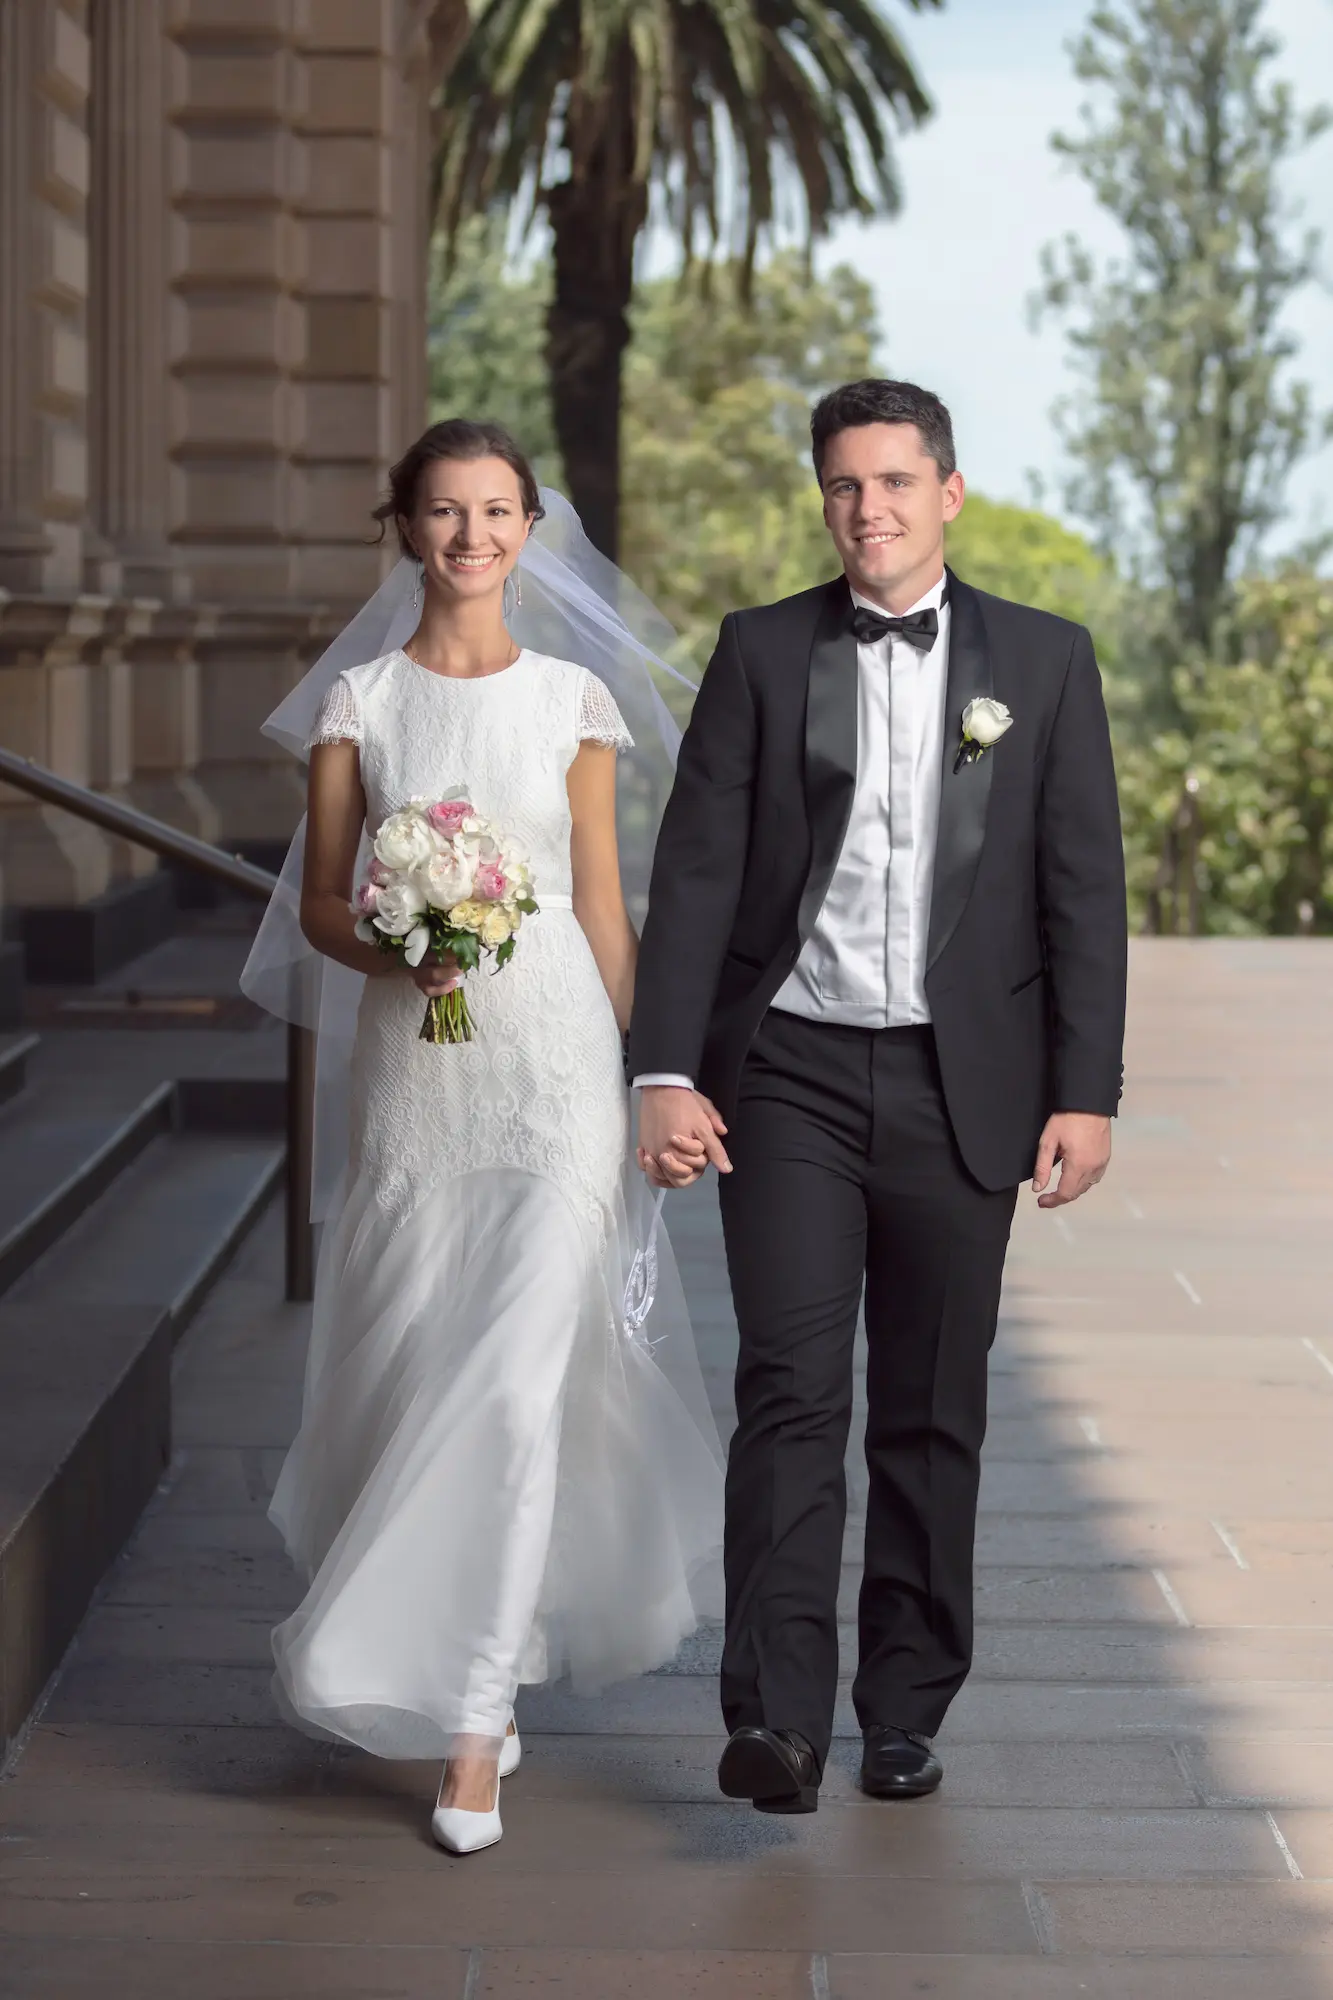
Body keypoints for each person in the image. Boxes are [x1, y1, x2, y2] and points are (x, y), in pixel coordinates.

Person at [629, 378, 1127, 1813]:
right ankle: (777, 1719)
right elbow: (702, 872)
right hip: (785, 1074)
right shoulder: (763, 652)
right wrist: (667, 1069)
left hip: (964, 1083)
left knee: (927, 1407)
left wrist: (1082, 1090)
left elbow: (1082, 892)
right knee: (787, 1389)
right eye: (845, 486)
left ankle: (902, 1706)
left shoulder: (1043, 663)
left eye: (896, 483)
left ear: (948, 493)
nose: (870, 511)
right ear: (824, 498)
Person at [245, 419, 723, 1855]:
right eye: (444, 513)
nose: (471, 536)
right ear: (404, 529)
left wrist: (644, 1077)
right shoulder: (361, 705)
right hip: (416, 1074)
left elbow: (604, 906)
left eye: (497, 510)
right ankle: (480, 1668)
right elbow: (325, 903)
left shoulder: (576, 699)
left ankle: (468, 1730)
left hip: (559, 1069)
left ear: (531, 528)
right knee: (411, 1379)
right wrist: (402, 942)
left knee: (517, 1395)